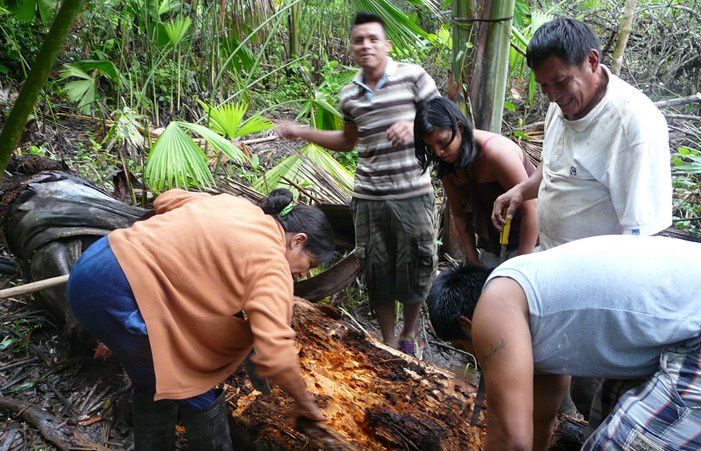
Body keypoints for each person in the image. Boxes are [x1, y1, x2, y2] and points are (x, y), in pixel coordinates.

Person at [426, 235, 701, 450]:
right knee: (603, 421)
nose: (479, 356)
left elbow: (512, 437)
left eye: (465, 346)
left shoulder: (495, 306)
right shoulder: (529, 299)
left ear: (467, 323)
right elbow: (539, 419)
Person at [67, 188, 335, 450]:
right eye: (308, 265)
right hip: (117, 294)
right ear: (298, 241)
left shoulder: (238, 206)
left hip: (93, 261)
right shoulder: (273, 265)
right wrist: (304, 403)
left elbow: (166, 199)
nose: (303, 274)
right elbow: (275, 348)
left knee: (152, 380)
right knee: (189, 379)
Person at [276, 12, 439, 356]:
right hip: (369, 196)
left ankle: (409, 334)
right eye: (359, 40)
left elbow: (440, 119)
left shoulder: (413, 77)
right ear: (351, 48)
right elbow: (348, 141)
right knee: (376, 266)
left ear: (386, 45)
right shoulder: (349, 94)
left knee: (418, 262)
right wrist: (301, 131)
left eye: (373, 39)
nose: (366, 45)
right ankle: (389, 341)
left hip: (413, 192)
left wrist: (411, 125)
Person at [492, 18, 672, 250]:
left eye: (560, 82)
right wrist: (521, 191)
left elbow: (642, 234)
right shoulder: (561, 103)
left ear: (592, 61)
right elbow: (554, 167)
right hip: (551, 256)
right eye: (544, 86)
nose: (553, 96)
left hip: (597, 274)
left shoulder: (632, 125)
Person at [414, 97, 538, 267]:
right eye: (431, 147)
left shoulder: (496, 154)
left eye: (442, 142)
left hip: (533, 242)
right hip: (494, 246)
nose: (439, 152)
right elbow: (459, 214)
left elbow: (532, 208)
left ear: (459, 126)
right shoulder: (447, 163)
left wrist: (523, 265)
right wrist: (473, 260)